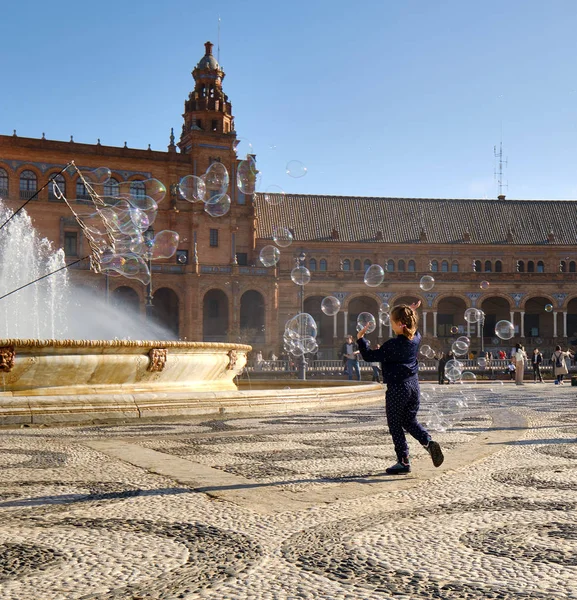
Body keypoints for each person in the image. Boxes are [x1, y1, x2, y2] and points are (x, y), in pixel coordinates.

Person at [357, 302, 444, 475]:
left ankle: (403, 461)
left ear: (399, 324)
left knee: (395, 424)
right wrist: (410, 311)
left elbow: (368, 356)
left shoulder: (392, 345)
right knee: (410, 421)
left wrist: (361, 339)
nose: (390, 324)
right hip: (413, 387)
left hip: (398, 389)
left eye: (392, 321)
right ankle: (427, 441)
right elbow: (412, 327)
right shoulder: (416, 338)